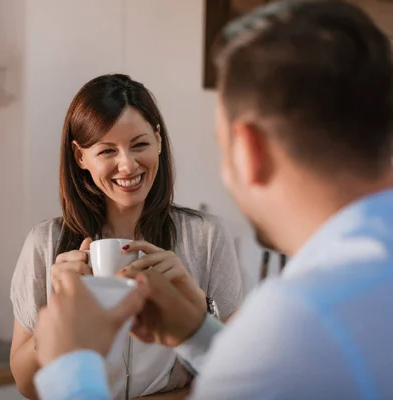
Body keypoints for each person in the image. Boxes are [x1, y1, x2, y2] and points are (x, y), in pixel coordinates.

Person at [31, 1, 393, 399]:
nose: (126, 165)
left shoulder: (297, 324)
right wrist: (198, 333)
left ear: (248, 150)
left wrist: (71, 367)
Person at [9, 74, 244, 399]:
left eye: (140, 145)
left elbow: (236, 378)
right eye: (107, 151)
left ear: (159, 141)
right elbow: (26, 385)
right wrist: (59, 322)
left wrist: (198, 309)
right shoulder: (45, 243)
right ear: (81, 157)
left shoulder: (206, 237)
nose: (127, 165)